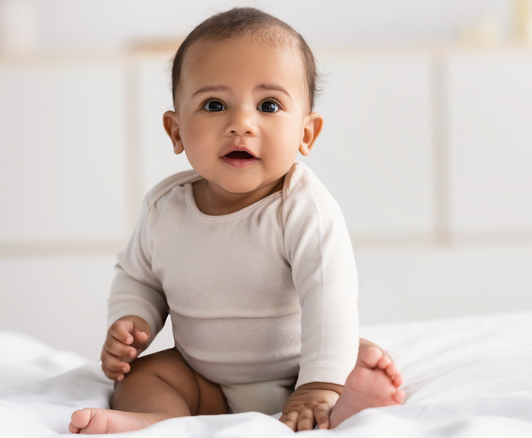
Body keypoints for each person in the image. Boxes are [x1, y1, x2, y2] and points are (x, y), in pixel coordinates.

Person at [69, 7, 404, 434]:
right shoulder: (164, 208)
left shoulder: (302, 208)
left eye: (268, 105)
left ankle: (336, 398)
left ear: (306, 133)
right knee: (141, 377)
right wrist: (133, 320)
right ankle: (159, 420)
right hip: (205, 379)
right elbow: (138, 277)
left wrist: (318, 383)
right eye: (214, 105)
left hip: (296, 368)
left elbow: (330, 300)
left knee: (351, 363)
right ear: (175, 131)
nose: (240, 124)